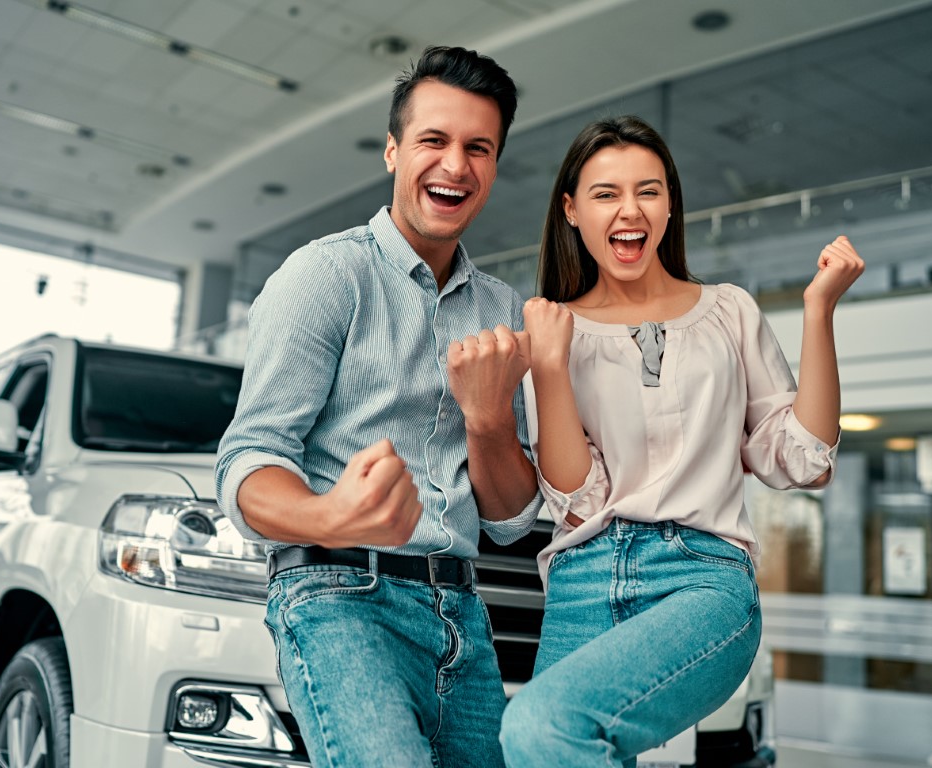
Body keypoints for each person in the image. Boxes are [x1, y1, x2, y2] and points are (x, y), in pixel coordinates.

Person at [499, 115, 865, 766]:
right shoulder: (552, 330)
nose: (629, 210)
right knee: (538, 743)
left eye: (649, 190)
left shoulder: (729, 311)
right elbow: (578, 501)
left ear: (670, 204)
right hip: (583, 579)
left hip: (702, 578)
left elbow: (805, 460)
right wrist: (550, 367)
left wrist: (819, 311)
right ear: (572, 210)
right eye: (606, 193)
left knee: (539, 727)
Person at [216, 46, 542, 768]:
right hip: (339, 596)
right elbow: (249, 457)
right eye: (434, 140)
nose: (455, 165)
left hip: (464, 613)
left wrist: (487, 418)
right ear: (394, 151)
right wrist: (329, 515)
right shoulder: (325, 275)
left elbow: (513, 516)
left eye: (478, 148)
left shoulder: (503, 312)